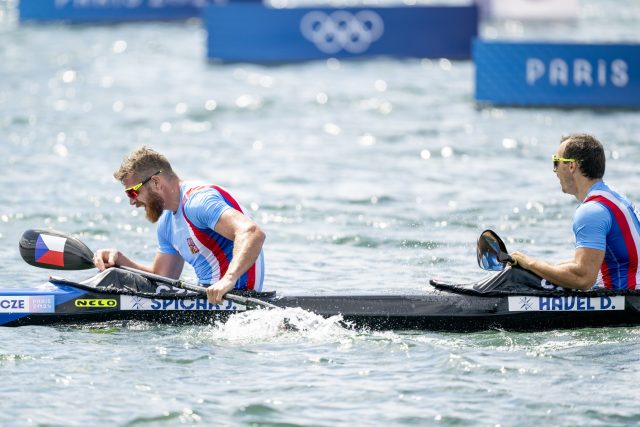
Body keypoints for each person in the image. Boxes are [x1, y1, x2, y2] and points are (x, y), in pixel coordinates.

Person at [93, 146, 266, 304]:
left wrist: (228, 279)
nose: (132, 201)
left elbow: (252, 232)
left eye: (133, 192)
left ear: (155, 182)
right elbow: (163, 278)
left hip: (238, 298)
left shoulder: (198, 202)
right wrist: (121, 262)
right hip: (208, 298)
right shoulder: (166, 223)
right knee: (113, 278)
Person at [510, 133, 640, 290]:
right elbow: (594, 261)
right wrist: (540, 266)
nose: (555, 171)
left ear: (572, 166)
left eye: (556, 162)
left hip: (625, 304)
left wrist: (530, 263)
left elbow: (583, 279)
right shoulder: (614, 197)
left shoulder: (591, 211)